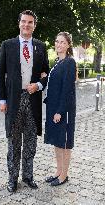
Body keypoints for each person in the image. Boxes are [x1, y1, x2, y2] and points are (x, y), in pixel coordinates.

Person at [0, 10, 49, 193]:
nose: (27, 25)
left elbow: (46, 74)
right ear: (19, 23)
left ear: (34, 25)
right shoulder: (7, 45)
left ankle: (28, 176)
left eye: (30, 22)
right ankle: (12, 179)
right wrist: (1, 99)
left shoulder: (41, 46)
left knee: (30, 142)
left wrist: (39, 85)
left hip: (32, 100)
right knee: (13, 143)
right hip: (13, 100)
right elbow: (0, 74)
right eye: (24, 22)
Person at [44, 32, 76, 186]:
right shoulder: (57, 61)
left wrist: (60, 111)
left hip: (64, 110)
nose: (59, 44)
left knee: (65, 142)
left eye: (62, 42)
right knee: (57, 141)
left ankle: (64, 175)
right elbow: (53, 85)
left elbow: (67, 89)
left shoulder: (70, 62)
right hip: (54, 107)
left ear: (68, 45)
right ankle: (58, 171)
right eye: (57, 41)